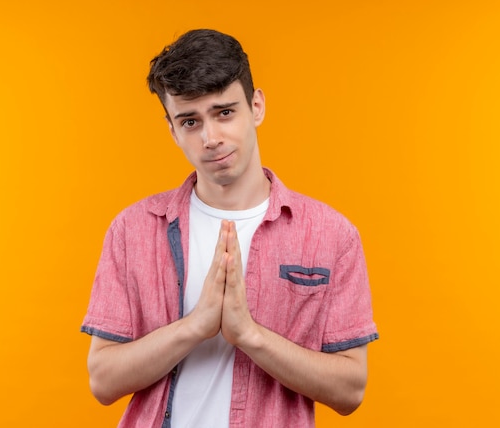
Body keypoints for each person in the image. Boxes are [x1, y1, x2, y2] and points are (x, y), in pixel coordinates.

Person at [81, 29, 378, 428]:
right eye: (190, 121)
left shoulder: (331, 235)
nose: (211, 138)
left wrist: (249, 335)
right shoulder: (132, 230)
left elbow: (350, 390)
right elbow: (103, 380)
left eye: (224, 112)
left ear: (256, 107)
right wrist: (195, 326)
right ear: (172, 130)